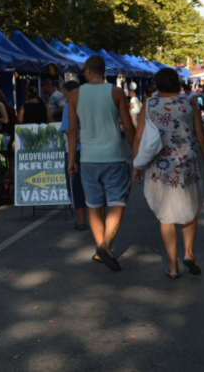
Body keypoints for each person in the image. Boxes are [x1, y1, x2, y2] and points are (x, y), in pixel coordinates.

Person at [132, 68, 204, 279]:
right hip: (187, 164)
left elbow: (139, 138)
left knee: (166, 216)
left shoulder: (149, 105)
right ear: (177, 83)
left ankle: (173, 266)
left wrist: (136, 165)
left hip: (159, 167)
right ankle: (188, 253)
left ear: (156, 84)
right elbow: (201, 137)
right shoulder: (189, 103)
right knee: (190, 209)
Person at [67, 56, 136, 272]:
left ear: (87, 70)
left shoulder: (75, 95)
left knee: (94, 206)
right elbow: (128, 126)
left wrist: (71, 160)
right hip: (114, 156)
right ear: (103, 71)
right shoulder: (116, 92)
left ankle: (102, 248)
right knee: (117, 202)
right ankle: (106, 245)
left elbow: (71, 132)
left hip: (87, 158)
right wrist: (137, 157)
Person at [60, 81, 86, 230]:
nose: (63, 95)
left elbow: (68, 131)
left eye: (64, 92)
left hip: (74, 150)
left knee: (75, 185)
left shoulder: (69, 106)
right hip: (90, 149)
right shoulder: (88, 104)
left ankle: (82, 220)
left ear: (71, 92)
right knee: (91, 185)